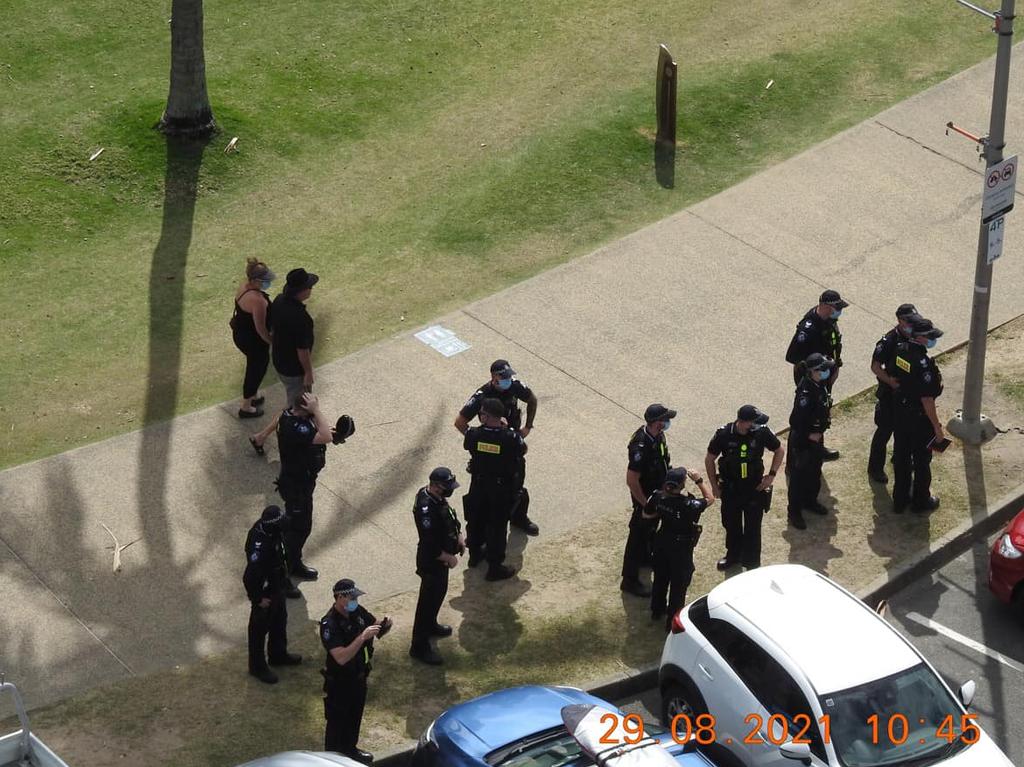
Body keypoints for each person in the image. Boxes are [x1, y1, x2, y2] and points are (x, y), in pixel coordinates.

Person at [454, 359, 540, 536]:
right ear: (494, 377)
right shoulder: (482, 396)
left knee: (517, 484)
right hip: (488, 452)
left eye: (509, 376)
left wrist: (527, 427)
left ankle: (519, 518)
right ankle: (482, 533)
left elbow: (532, 400)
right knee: (484, 492)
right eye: (504, 377)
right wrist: (479, 440)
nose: (508, 380)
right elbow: (460, 422)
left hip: (511, 444)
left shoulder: (515, 386)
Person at [320, 579, 392, 764]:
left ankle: (350, 750)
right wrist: (362, 637)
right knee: (337, 724)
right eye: (352, 597)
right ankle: (332, 760)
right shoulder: (329, 624)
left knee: (354, 718)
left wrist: (385, 624)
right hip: (340, 683)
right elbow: (341, 657)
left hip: (359, 677)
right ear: (340, 597)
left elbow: (375, 626)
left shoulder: (357, 612)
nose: (355, 601)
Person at [249, 267, 320, 455]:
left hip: (280, 362)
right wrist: (308, 372)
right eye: (309, 286)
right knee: (296, 408)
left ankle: (262, 436)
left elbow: (270, 326)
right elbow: (302, 350)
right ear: (302, 291)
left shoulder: (279, 301)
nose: (311, 289)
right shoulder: (301, 318)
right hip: (294, 370)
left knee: (294, 405)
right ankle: (262, 437)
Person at [705, 405, 784, 571]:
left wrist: (771, 475)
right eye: (753, 422)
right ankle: (733, 555)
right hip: (730, 489)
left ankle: (752, 563)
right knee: (731, 525)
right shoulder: (724, 434)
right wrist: (714, 485)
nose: (756, 425)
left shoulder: (762, 432)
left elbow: (779, 450)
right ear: (742, 422)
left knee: (753, 528)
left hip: (754, 488)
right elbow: (709, 458)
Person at [463, 397, 527, 581]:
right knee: (497, 527)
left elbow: (469, 445)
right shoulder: (510, 437)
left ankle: (475, 555)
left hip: (478, 485)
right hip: (500, 489)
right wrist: (506, 429)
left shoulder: (474, 435)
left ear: (485, 416)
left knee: (475, 520)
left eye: (481, 413)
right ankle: (494, 566)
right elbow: (523, 449)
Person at [644, 466, 714, 630]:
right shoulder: (688, 504)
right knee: (678, 585)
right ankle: (672, 621)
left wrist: (662, 514)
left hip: (662, 543)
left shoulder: (657, 497)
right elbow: (710, 499)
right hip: (681, 548)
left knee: (660, 578)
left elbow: (646, 514)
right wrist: (699, 481)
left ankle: (657, 610)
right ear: (681, 485)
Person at [276, 392, 334, 590]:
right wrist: (316, 410)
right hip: (295, 486)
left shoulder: (297, 418)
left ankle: (294, 563)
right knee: (297, 530)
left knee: (301, 527)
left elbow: (322, 431)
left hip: (303, 482)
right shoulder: (293, 426)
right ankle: (283, 574)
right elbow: (324, 436)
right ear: (303, 409)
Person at [888, 317, 945, 514]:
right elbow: (927, 399)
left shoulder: (900, 350)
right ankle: (921, 501)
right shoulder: (924, 363)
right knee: (921, 462)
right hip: (919, 419)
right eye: (929, 337)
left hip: (901, 414)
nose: (932, 341)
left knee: (902, 458)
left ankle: (900, 499)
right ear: (920, 338)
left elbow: (895, 376)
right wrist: (937, 427)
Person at [409, 467, 465, 665]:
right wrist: (447, 557)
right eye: (446, 487)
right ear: (435, 486)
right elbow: (428, 542)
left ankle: (431, 625)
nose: (449, 491)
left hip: (442, 558)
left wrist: (458, 536)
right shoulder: (426, 507)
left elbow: (450, 515)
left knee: (438, 595)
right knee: (427, 603)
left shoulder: (437, 499)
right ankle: (419, 646)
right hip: (432, 561)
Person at [785, 289, 847, 461]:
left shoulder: (829, 320)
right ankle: (794, 459)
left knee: (821, 411)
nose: (839, 311)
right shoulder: (809, 328)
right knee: (803, 416)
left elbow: (833, 344)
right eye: (836, 307)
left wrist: (835, 366)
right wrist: (813, 372)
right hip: (811, 378)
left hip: (825, 375)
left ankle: (818, 448)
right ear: (825, 306)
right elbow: (792, 356)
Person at [621, 403, 676, 597]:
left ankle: (646, 558)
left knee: (650, 532)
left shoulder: (658, 436)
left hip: (657, 494)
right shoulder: (641, 445)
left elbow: (663, 461)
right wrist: (645, 504)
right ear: (656, 422)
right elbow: (631, 480)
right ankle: (629, 580)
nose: (668, 422)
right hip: (645, 499)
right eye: (665, 419)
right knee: (637, 537)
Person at [242, 505, 301, 684]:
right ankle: (257, 667)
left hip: (277, 585)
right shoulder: (260, 546)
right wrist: (258, 598)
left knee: (279, 620)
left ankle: (278, 654)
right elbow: (250, 576)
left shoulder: (272, 532)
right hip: (265, 592)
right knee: (259, 630)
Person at [868, 304, 921, 483]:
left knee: (906, 431)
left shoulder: (915, 337)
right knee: (884, 431)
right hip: (890, 395)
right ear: (900, 321)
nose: (912, 325)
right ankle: (875, 468)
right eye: (908, 322)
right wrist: (890, 381)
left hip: (907, 396)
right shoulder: (889, 341)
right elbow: (875, 366)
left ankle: (900, 458)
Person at [786, 354, 834, 530]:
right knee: (799, 476)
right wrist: (809, 435)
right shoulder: (806, 393)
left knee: (814, 471)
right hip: (803, 441)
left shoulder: (819, 386)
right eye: (822, 369)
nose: (826, 372)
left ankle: (810, 501)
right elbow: (795, 421)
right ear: (812, 371)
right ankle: (794, 511)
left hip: (816, 437)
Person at [230, 258, 274, 419]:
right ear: (255, 280)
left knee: (255, 367)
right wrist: (271, 341)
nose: (267, 283)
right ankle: (246, 406)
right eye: (264, 281)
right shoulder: (258, 301)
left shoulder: (244, 286)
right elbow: (260, 327)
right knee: (256, 369)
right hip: (253, 340)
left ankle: (253, 396)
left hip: (241, 334)